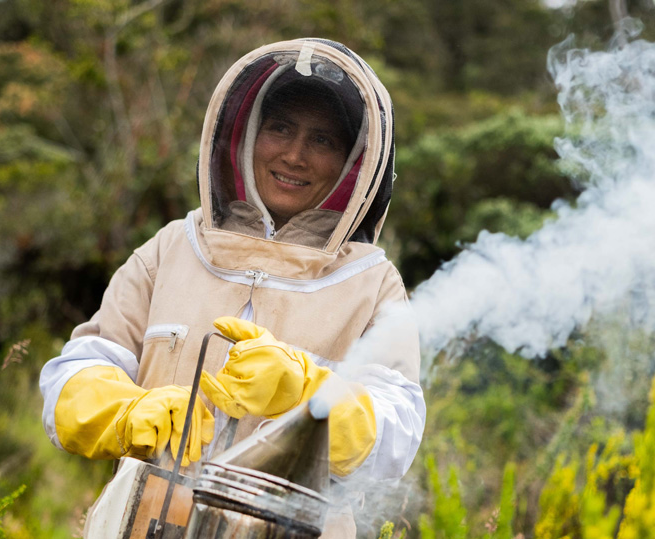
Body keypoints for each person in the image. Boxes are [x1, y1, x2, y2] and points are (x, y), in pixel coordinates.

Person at [39, 38, 426, 537]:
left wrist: (309, 392)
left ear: (355, 162)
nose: (294, 155)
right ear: (244, 134)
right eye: (280, 127)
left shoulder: (373, 282)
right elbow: (76, 371)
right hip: (146, 521)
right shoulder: (171, 249)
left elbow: (397, 435)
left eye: (323, 140)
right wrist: (127, 410)